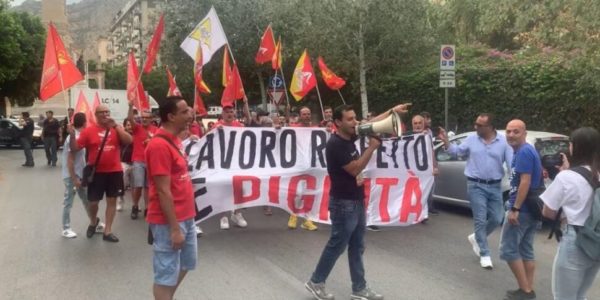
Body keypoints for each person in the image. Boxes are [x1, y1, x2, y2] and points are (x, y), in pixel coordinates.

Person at [306, 103, 410, 300]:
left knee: (357, 246)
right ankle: (316, 282)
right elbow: (354, 169)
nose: (356, 122)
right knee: (337, 245)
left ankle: (359, 288)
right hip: (343, 204)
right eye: (350, 119)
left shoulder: (349, 136)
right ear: (338, 122)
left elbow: (370, 124)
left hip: (356, 200)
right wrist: (371, 148)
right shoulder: (336, 144)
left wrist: (392, 111)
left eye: (355, 118)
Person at [438, 113, 513, 269]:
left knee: (497, 217)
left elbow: (511, 164)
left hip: (495, 185)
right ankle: (485, 254)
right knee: (479, 219)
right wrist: (446, 143)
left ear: (490, 127)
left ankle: (477, 238)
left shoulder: (503, 142)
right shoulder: (472, 139)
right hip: (475, 185)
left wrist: (517, 180)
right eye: (476, 124)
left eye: (479, 125)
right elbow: (457, 151)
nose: (475, 127)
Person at [146, 95, 197, 300]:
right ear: (170, 116)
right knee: (165, 276)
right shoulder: (158, 146)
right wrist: (175, 229)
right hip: (169, 222)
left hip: (187, 216)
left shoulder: (175, 140)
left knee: (186, 264)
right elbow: (163, 191)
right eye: (184, 112)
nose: (190, 114)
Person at [541, 127, 600, 300]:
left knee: (564, 296)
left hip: (576, 240)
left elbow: (548, 212)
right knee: (580, 294)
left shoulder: (566, 177)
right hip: (596, 240)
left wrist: (565, 173)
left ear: (574, 147)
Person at [69, 104, 133, 242]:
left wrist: (115, 126)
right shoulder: (89, 131)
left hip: (114, 171)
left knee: (112, 201)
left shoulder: (116, 129)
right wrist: (72, 135)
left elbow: (129, 140)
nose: (105, 114)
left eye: (107, 112)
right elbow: (74, 148)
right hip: (96, 173)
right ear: (96, 115)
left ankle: (108, 231)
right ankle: (93, 221)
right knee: (93, 202)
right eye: (102, 112)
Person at [498, 119, 542, 300]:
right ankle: (527, 288)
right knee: (525, 249)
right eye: (508, 131)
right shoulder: (527, 150)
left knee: (508, 249)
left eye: (516, 132)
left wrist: (515, 208)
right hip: (532, 210)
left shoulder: (523, 152)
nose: (511, 135)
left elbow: (525, 181)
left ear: (524, 133)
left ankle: (525, 291)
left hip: (522, 210)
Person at [61, 112, 104, 238]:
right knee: (68, 201)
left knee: (87, 200)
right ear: (84, 122)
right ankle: (66, 228)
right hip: (71, 176)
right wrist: (74, 178)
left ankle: (94, 222)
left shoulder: (80, 135)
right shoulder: (72, 138)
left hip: (80, 175)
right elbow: (70, 160)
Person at [214, 102, 251, 229]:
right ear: (222, 114)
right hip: (223, 164)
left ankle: (237, 213)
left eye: (231, 112)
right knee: (224, 189)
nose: (229, 114)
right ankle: (223, 217)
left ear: (234, 113)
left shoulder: (240, 126)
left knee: (240, 189)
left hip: (238, 163)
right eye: (226, 112)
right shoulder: (216, 126)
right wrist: (214, 132)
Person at [287, 106, 319, 231]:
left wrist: (328, 130)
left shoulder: (316, 129)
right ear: (300, 116)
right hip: (298, 164)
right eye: (304, 114)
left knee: (310, 192)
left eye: (308, 114)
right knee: (298, 192)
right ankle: (293, 215)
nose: (307, 116)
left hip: (312, 165)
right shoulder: (294, 128)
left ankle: (307, 220)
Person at [128, 104, 159, 220]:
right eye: (143, 117)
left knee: (148, 187)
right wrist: (130, 107)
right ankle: (135, 206)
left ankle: (147, 208)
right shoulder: (137, 128)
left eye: (147, 117)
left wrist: (151, 141)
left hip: (151, 161)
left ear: (151, 119)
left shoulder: (156, 130)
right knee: (138, 185)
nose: (144, 119)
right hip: (138, 160)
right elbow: (130, 119)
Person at [118, 118, 135, 211]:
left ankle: (135, 204)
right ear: (124, 126)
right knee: (122, 184)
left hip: (135, 163)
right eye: (128, 125)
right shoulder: (122, 136)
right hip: (124, 163)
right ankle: (120, 200)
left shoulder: (137, 135)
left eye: (131, 124)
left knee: (134, 185)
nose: (130, 127)